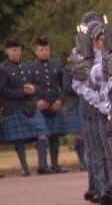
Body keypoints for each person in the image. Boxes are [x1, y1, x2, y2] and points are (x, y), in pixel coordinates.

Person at [23, 37, 68, 173]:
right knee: (42, 135)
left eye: (46, 49)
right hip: (39, 107)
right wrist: (36, 101)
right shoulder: (29, 67)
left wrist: (60, 100)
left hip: (55, 104)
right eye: (41, 50)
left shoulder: (56, 64)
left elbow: (64, 85)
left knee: (55, 135)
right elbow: (26, 87)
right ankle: (42, 166)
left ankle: (55, 165)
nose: (44, 52)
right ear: (36, 51)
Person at [1, 40, 44, 176]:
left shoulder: (27, 66)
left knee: (42, 134)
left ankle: (43, 166)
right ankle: (25, 168)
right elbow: (2, 91)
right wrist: (22, 92)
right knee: (19, 139)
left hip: (30, 106)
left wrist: (34, 89)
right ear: (7, 52)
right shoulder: (2, 69)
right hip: (15, 107)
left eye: (18, 50)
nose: (16, 52)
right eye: (13, 50)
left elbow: (38, 84)